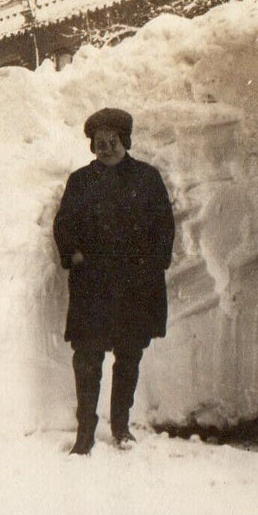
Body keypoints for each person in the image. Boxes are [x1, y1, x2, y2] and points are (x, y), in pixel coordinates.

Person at [53, 108, 175, 455]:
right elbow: (63, 224)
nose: (105, 148)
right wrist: (72, 253)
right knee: (87, 358)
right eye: (98, 143)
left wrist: (155, 264)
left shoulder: (147, 178)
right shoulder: (80, 181)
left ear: (125, 142)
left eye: (112, 141)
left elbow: (164, 225)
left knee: (128, 355)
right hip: (93, 285)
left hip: (135, 284)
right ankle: (85, 431)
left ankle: (120, 426)